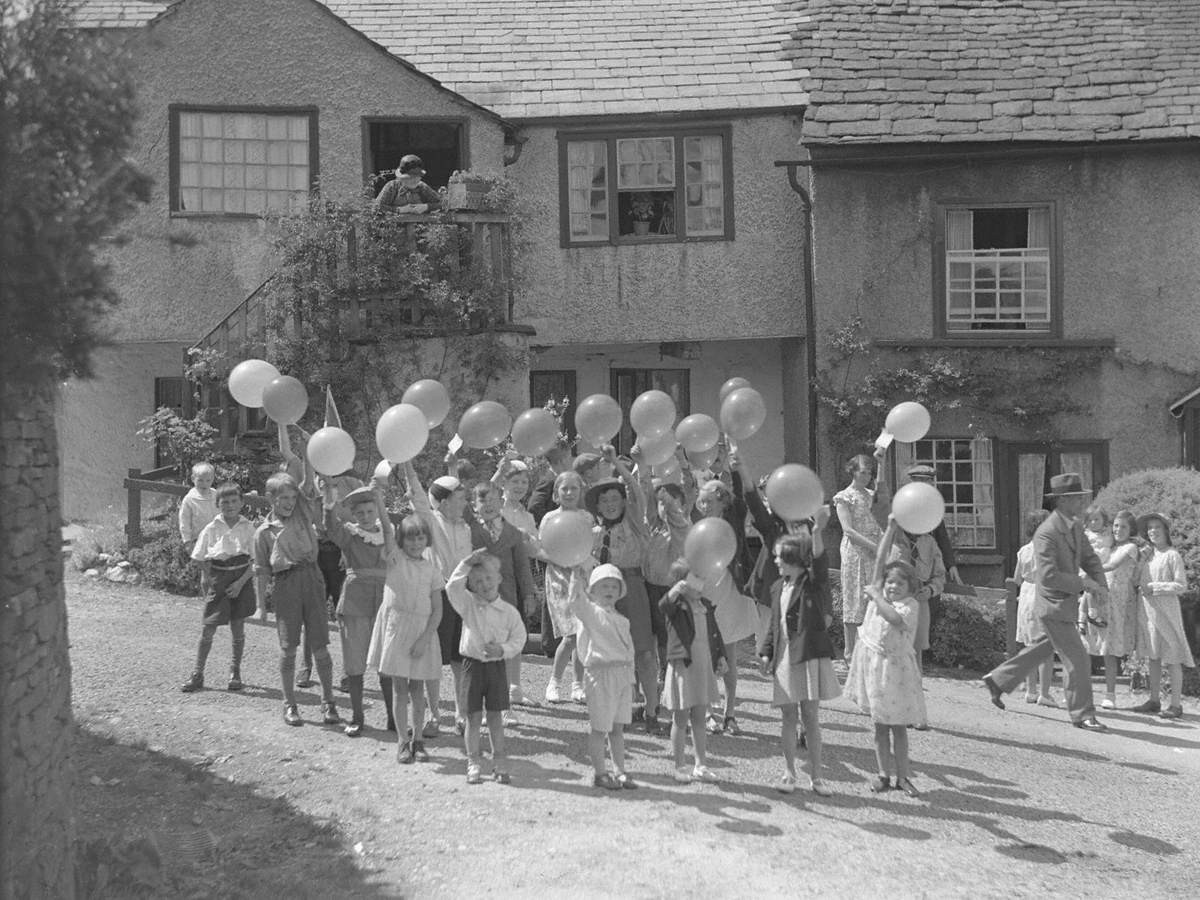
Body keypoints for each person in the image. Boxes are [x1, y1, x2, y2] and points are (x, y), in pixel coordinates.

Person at [982, 474, 1109, 732]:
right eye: (1076, 498)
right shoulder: (1047, 533)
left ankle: (998, 680)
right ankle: (1082, 714)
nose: (1082, 502)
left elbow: (1090, 558)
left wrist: (1101, 586)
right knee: (1079, 659)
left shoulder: (1074, 525)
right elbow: (1049, 576)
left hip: (1064, 605)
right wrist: (1084, 584)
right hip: (1053, 605)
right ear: (1062, 500)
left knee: (1042, 649)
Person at [252, 427, 339, 727]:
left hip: (311, 579)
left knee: (321, 647)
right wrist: (260, 606)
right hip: (286, 585)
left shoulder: (303, 512)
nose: (289, 501)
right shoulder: (263, 533)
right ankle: (290, 705)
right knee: (288, 648)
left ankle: (329, 703)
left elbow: (307, 484)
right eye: (283, 498)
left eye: (292, 496)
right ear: (270, 499)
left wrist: (307, 450)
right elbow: (261, 570)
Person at [844, 516, 927, 797]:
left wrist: (877, 596)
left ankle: (903, 776)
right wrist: (890, 529)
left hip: (897, 674)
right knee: (879, 726)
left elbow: (892, 618)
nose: (892, 587)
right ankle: (883, 774)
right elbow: (879, 562)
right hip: (877, 670)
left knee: (899, 728)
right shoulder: (882, 593)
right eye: (890, 583)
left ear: (910, 588)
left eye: (899, 584)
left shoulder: (908, 606)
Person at [757, 513, 839, 797]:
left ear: (793, 559)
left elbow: (819, 562)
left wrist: (817, 532)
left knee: (811, 716)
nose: (776, 561)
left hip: (807, 657)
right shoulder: (777, 587)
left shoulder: (810, 583)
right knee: (788, 716)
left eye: (780, 557)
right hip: (783, 659)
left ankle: (817, 777)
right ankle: (789, 772)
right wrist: (766, 653)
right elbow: (773, 626)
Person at [587, 451, 659, 733]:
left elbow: (638, 489)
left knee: (643, 652)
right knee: (613, 655)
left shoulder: (634, 522)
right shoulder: (593, 532)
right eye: (604, 501)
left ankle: (652, 711)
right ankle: (621, 712)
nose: (609, 504)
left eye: (614, 498)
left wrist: (617, 464)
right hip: (605, 594)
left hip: (633, 588)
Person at [445, 549, 527, 785]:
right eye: (478, 581)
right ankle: (473, 762)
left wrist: (502, 650)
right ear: (470, 585)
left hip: (495, 668)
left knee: (495, 717)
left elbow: (519, 639)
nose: (485, 584)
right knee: (472, 717)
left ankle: (499, 762)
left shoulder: (509, 612)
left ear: (499, 579)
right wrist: (466, 563)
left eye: (489, 578)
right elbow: (452, 587)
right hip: (472, 667)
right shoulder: (467, 604)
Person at [366, 514, 444, 762]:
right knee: (400, 689)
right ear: (402, 540)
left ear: (426, 539)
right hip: (398, 629)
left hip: (421, 633)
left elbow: (438, 609)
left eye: (420, 537)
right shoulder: (395, 559)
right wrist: (379, 497)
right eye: (410, 537)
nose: (415, 543)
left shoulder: (432, 570)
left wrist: (425, 638)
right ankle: (402, 741)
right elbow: (388, 533)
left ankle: (418, 740)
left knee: (417, 688)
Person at [406, 462, 473, 738]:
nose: (466, 502)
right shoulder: (432, 521)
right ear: (444, 503)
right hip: (439, 598)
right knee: (434, 659)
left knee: (461, 659)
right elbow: (419, 496)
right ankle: (434, 715)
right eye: (460, 499)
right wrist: (408, 463)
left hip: (463, 600)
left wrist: (451, 466)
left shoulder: (466, 527)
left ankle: (461, 714)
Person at [323, 482, 392, 737]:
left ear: (377, 510)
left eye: (369, 511)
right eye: (359, 513)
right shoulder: (350, 535)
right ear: (353, 515)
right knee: (354, 661)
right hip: (355, 600)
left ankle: (393, 718)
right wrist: (329, 504)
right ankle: (357, 716)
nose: (364, 517)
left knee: (387, 661)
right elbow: (331, 529)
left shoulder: (388, 533)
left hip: (385, 601)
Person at [692, 476, 758, 736]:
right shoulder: (696, 526)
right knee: (705, 653)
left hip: (729, 590)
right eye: (702, 501)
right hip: (704, 591)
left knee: (729, 653)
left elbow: (741, 501)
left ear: (722, 501)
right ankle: (708, 712)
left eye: (709, 500)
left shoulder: (733, 523)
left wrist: (736, 464)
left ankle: (730, 714)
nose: (705, 505)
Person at [468, 481, 535, 717]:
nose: (488, 505)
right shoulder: (471, 530)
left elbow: (523, 567)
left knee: (506, 650)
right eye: (483, 500)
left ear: (501, 503)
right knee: (483, 652)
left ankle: (505, 705)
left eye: (494, 500)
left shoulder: (513, 534)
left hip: (506, 598)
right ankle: (484, 708)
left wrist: (528, 594)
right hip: (478, 600)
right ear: (474, 505)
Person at [181, 482, 256, 693]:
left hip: (241, 579)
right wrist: (208, 577)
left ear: (241, 503)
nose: (230, 506)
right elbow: (199, 556)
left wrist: (240, 584)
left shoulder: (248, 527)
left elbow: (256, 561)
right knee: (208, 627)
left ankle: (235, 671)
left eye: (234, 501)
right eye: (225, 502)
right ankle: (198, 673)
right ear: (218, 504)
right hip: (219, 579)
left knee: (238, 626)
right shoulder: (212, 528)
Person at [569, 564, 638, 790]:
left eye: (614, 586)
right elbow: (576, 601)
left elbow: (630, 651)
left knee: (618, 728)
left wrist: (632, 680)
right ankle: (600, 772)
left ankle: (620, 771)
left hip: (622, 676)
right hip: (600, 674)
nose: (609, 590)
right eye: (604, 585)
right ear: (593, 590)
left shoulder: (623, 619)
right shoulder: (591, 612)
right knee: (600, 728)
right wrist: (576, 577)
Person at [660, 559, 726, 784]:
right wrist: (675, 591)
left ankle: (701, 764)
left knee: (699, 718)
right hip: (684, 667)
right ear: (683, 584)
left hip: (703, 667)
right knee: (680, 719)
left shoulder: (705, 606)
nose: (701, 585)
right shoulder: (677, 606)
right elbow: (663, 605)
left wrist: (721, 657)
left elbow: (714, 635)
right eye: (695, 581)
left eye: (701, 580)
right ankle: (680, 765)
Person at [1131, 512, 1195, 719]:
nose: (1153, 531)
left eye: (1157, 527)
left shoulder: (1172, 555)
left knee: (1172, 657)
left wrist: (1155, 587)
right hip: (1148, 612)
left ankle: (1176, 704)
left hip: (1167, 612)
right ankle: (1154, 699)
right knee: (1154, 656)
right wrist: (1141, 563)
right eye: (1150, 528)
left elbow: (1181, 585)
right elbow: (1135, 581)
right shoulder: (1147, 556)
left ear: (1166, 531)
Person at [541, 471, 591, 704]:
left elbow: (590, 547)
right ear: (556, 494)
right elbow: (541, 549)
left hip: (582, 578)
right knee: (569, 635)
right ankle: (554, 682)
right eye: (565, 488)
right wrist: (561, 559)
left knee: (582, 632)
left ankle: (578, 684)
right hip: (559, 579)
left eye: (574, 488)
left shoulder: (587, 518)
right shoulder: (550, 518)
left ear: (581, 492)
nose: (569, 492)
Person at [834, 448, 887, 661]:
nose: (866, 476)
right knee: (854, 598)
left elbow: (882, 500)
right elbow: (848, 530)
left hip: (875, 553)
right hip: (855, 552)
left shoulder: (871, 496)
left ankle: (870, 647)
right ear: (853, 472)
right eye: (863, 472)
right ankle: (849, 651)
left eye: (869, 473)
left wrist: (881, 464)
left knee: (874, 599)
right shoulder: (844, 498)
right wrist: (875, 547)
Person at [1094, 510, 1141, 709]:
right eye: (1115, 526)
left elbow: (1112, 566)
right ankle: (1079, 690)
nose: (1118, 530)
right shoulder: (1111, 546)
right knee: (1099, 645)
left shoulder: (1130, 548)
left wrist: (1089, 567)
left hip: (1120, 600)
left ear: (1130, 530)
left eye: (1123, 527)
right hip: (1103, 597)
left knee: (1111, 648)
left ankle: (1110, 694)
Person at [1013, 509, 1057, 706]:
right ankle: (1044, 693)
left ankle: (1031, 690)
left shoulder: (1024, 550)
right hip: (1043, 594)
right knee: (1046, 647)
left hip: (1026, 595)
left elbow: (1016, 578)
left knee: (1030, 645)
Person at [374, 154, 441, 213]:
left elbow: (442, 204)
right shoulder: (392, 186)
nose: (413, 180)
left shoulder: (422, 187)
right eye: (409, 178)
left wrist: (426, 207)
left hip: (419, 226)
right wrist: (399, 210)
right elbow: (376, 207)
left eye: (416, 177)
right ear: (401, 178)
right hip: (394, 226)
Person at [178, 461, 218, 545]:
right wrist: (187, 541)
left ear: (213, 479)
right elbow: (184, 522)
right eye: (200, 480)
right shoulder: (190, 499)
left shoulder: (216, 495)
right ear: (193, 479)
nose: (204, 484)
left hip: (216, 538)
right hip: (198, 540)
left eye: (208, 480)